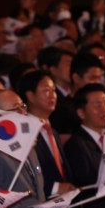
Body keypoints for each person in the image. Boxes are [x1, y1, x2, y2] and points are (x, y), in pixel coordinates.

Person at [19, 71, 75, 199]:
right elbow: (24, 177)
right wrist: (55, 188)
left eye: (53, 90)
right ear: (30, 96)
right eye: (46, 90)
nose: (53, 95)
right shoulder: (23, 132)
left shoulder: (53, 131)